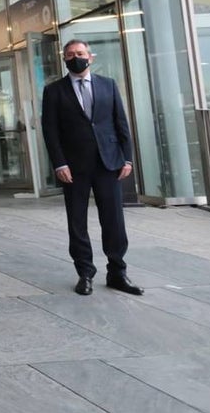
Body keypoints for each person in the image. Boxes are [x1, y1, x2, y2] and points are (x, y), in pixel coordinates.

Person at [41, 39, 142, 297]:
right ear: (64, 59)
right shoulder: (54, 91)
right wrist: (59, 163)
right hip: (73, 168)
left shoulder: (108, 85)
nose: (76, 57)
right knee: (77, 222)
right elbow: (50, 132)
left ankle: (117, 272)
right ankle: (85, 273)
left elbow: (121, 123)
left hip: (108, 163)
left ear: (91, 57)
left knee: (114, 221)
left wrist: (127, 158)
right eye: (71, 54)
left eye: (81, 53)